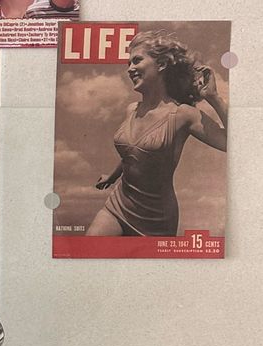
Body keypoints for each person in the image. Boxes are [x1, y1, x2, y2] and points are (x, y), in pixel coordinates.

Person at [86, 30, 227, 237]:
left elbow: (231, 143)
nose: (130, 69)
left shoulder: (183, 114)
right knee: (88, 249)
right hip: (117, 206)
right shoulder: (132, 109)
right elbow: (133, 154)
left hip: (155, 219)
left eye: (137, 60)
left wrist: (214, 98)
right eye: (129, 64)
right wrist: (112, 176)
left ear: (161, 64)